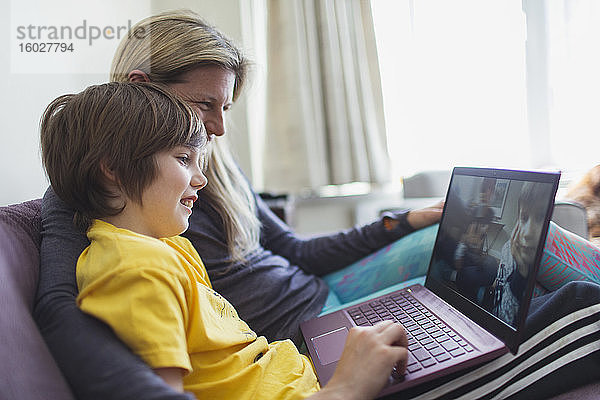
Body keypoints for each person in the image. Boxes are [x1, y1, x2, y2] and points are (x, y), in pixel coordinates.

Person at [34, 10, 600, 400]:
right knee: (540, 283)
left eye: (226, 107)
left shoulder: (182, 207)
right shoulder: (115, 220)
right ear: (141, 88)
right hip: (301, 336)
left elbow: (295, 251)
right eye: (202, 108)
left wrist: (403, 220)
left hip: (301, 340)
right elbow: (66, 306)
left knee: (503, 252)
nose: (217, 131)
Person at [39, 81, 409, 400]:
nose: (200, 179)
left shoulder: (168, 245)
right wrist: (346, 388)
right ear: (113, 169)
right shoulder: (135, 270)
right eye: (184, 159)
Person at [491, 182, 550, 326]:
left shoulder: (547, 261)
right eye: (524, 218)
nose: (528, 232)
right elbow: (499, 311)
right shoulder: (507, 249)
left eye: (540, 217)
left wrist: (523, 274)